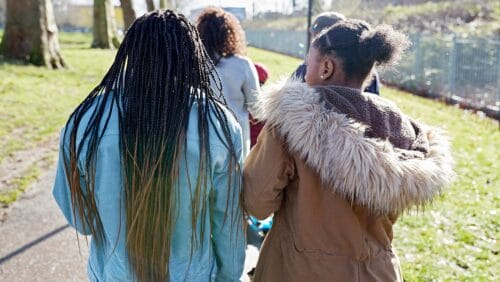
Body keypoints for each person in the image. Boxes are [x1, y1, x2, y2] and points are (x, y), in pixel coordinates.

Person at [244, 19, 454, 281]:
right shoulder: (399, 127)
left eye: (308, 63)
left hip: (300, 270)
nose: (305, 72)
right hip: (379, 272)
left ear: (326, 67)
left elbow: (256, 202)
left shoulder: (290, 123)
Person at [53, 10, 246, 281]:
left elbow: (81, 220)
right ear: (191, 56)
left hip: (113, 274)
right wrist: (228, 276)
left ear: (130, 53)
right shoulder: (217, 124)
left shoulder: (85, 121)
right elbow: (228, 223)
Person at [196, 7, 260, 157]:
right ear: (230, 34)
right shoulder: (242, 65)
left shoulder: (194, 65)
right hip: (236, 143)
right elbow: (257, 109)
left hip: (203, 142)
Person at [292, 12, 381, 95]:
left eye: (323, 38)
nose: (317, 43)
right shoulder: (305, 68)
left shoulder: (364, 71)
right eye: (315, 37)